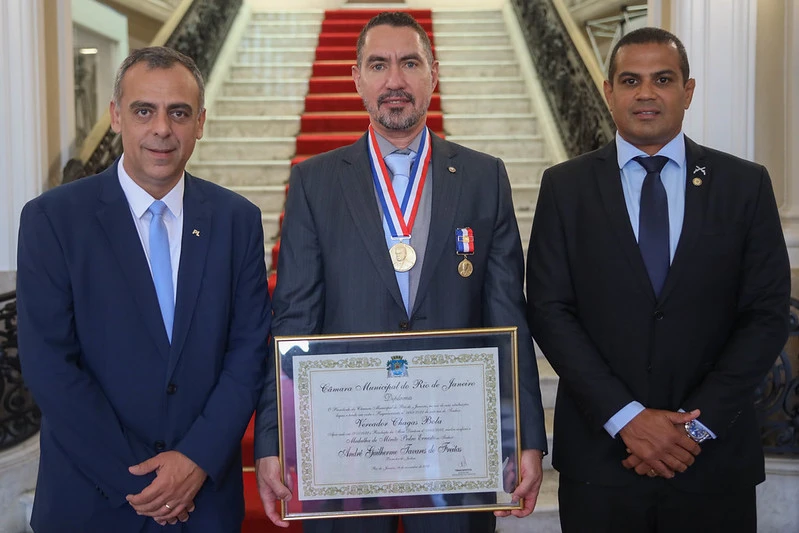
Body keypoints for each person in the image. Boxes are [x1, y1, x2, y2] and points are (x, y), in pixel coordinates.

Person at [253, 11, 547, 533]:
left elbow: (508, 315)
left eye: (410, 63)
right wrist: (276, 442)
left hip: (456, 442)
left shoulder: (484, 178)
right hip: (344, 438)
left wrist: (523, 435)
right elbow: (292, 319)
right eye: (379, 65)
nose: (395, 81)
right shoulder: (314, 183)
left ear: (433, 73)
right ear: (357, 78)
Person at [526, 27, 790, 532]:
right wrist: (627, 418)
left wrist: (698, 427)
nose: (646, 93)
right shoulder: (565, 187)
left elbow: (767, 313)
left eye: (662, 79)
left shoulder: (744, 184)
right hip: (602, 464)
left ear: (687, 90)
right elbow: (549, 309)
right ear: (609, 92)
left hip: (712, 461)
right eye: (630, 80)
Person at [16, 46, 271, 532]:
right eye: (143, 111)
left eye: (178, 112)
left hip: (204, 502)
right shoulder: (53, 220)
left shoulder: (237, 220)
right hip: (92, 501)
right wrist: (139, 483)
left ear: (200, 122)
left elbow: (247, 353)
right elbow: (50, 366)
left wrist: (195, 459)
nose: (161, 129)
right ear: (116, 116)